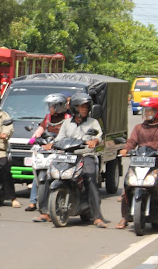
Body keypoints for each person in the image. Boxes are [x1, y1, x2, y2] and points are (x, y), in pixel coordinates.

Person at [34, 93, 107, 227]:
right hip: (66, 156)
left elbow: (99, 136)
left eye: (86, 107)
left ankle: (97, 217)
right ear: (74, 108)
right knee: (48, 175)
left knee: (90, 179)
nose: (84, 109)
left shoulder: (93, 122)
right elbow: (59, 138)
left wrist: (94, 141)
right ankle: (45, 211)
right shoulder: (67, 123)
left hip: (85, 156)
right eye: (81, 107)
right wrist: (51, 144)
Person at [116, 97, 158, 234]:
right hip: (139, 162)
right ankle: (125, 217)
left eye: (150, 110)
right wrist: (125, 149)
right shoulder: (139, 127)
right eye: (145, 110)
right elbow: (131, 141)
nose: (146, 113)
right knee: (126, 188)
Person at [25, 92, 70, 213]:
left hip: (60, 150)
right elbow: (40, 129)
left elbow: (68, 134)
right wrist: (33, 139)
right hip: (47, 148)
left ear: (58, 106)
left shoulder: (67, 119)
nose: (49, 108)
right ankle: (32, 201)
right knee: (39, 171)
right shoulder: (48, 117)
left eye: (51, 105)